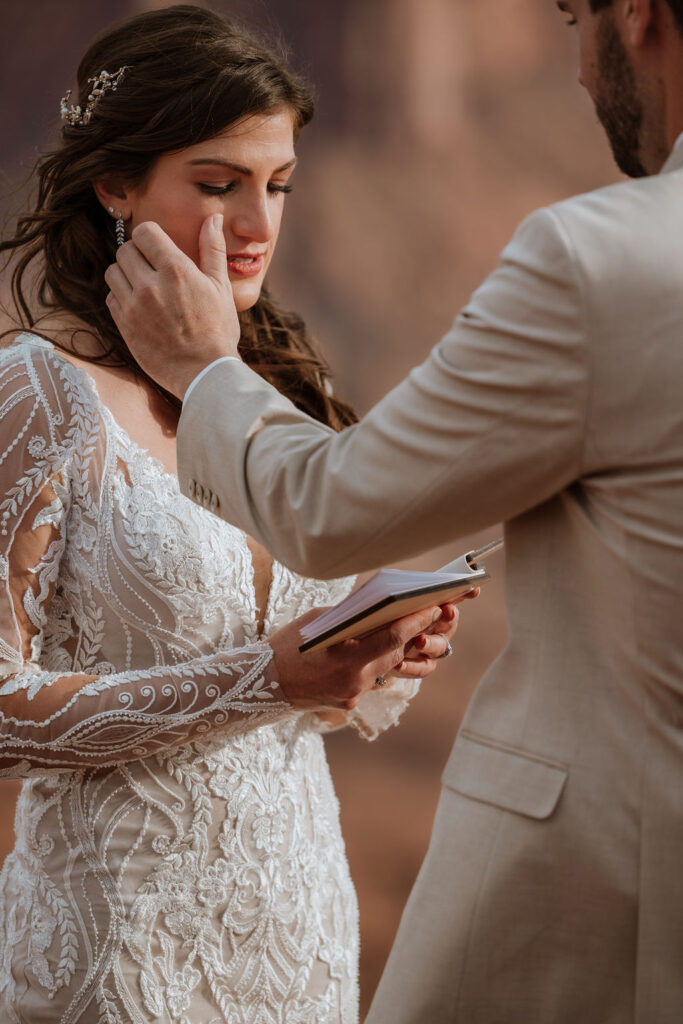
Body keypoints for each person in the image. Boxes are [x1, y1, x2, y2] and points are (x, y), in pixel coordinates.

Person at [107, 0, 683, 1021]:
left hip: (597, 904)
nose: (580, 74)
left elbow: (328, 506)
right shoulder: (37, 393)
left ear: (632, 13)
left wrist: (203, 371)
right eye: (219, 182)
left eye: (569, 18)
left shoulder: (601, 259)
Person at [0, 6, 464, 1022]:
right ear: (115, 184)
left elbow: (300, 689)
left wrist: (369, 654)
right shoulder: (39, 392)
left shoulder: (270, 395)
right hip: (118, 952)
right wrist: (266, 676)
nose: (256, 223)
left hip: (298, 928)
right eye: (217, 185)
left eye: (278, 185)